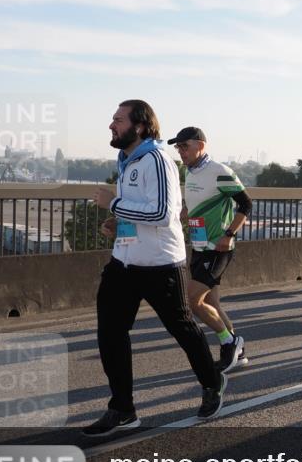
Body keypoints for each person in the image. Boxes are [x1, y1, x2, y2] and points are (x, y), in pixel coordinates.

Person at [86, 101, 226, 436]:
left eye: (118, 120)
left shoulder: (157, 159)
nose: (111, 125)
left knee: (181, 327)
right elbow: (142, 212)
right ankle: (122, 408)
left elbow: (163, 214)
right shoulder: (128, 160)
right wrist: (119, 225)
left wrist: (114, 203)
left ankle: (211, 381)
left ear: (141, 126)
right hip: (124, 262)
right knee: (110, 331)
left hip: (161, 266)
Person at [171, 126, 253, 372]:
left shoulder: (219, 171)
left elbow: (246, 205)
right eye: (178, 147)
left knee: (193, 301)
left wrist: (229, 235)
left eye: (185, 146)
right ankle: (239, 353)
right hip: (198, 246)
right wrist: (177, 218)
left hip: (217, 248)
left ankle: (230, 342)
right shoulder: (191, 172)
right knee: (212, 305)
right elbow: (191, 209)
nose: (181, 151)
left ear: (201, 146)